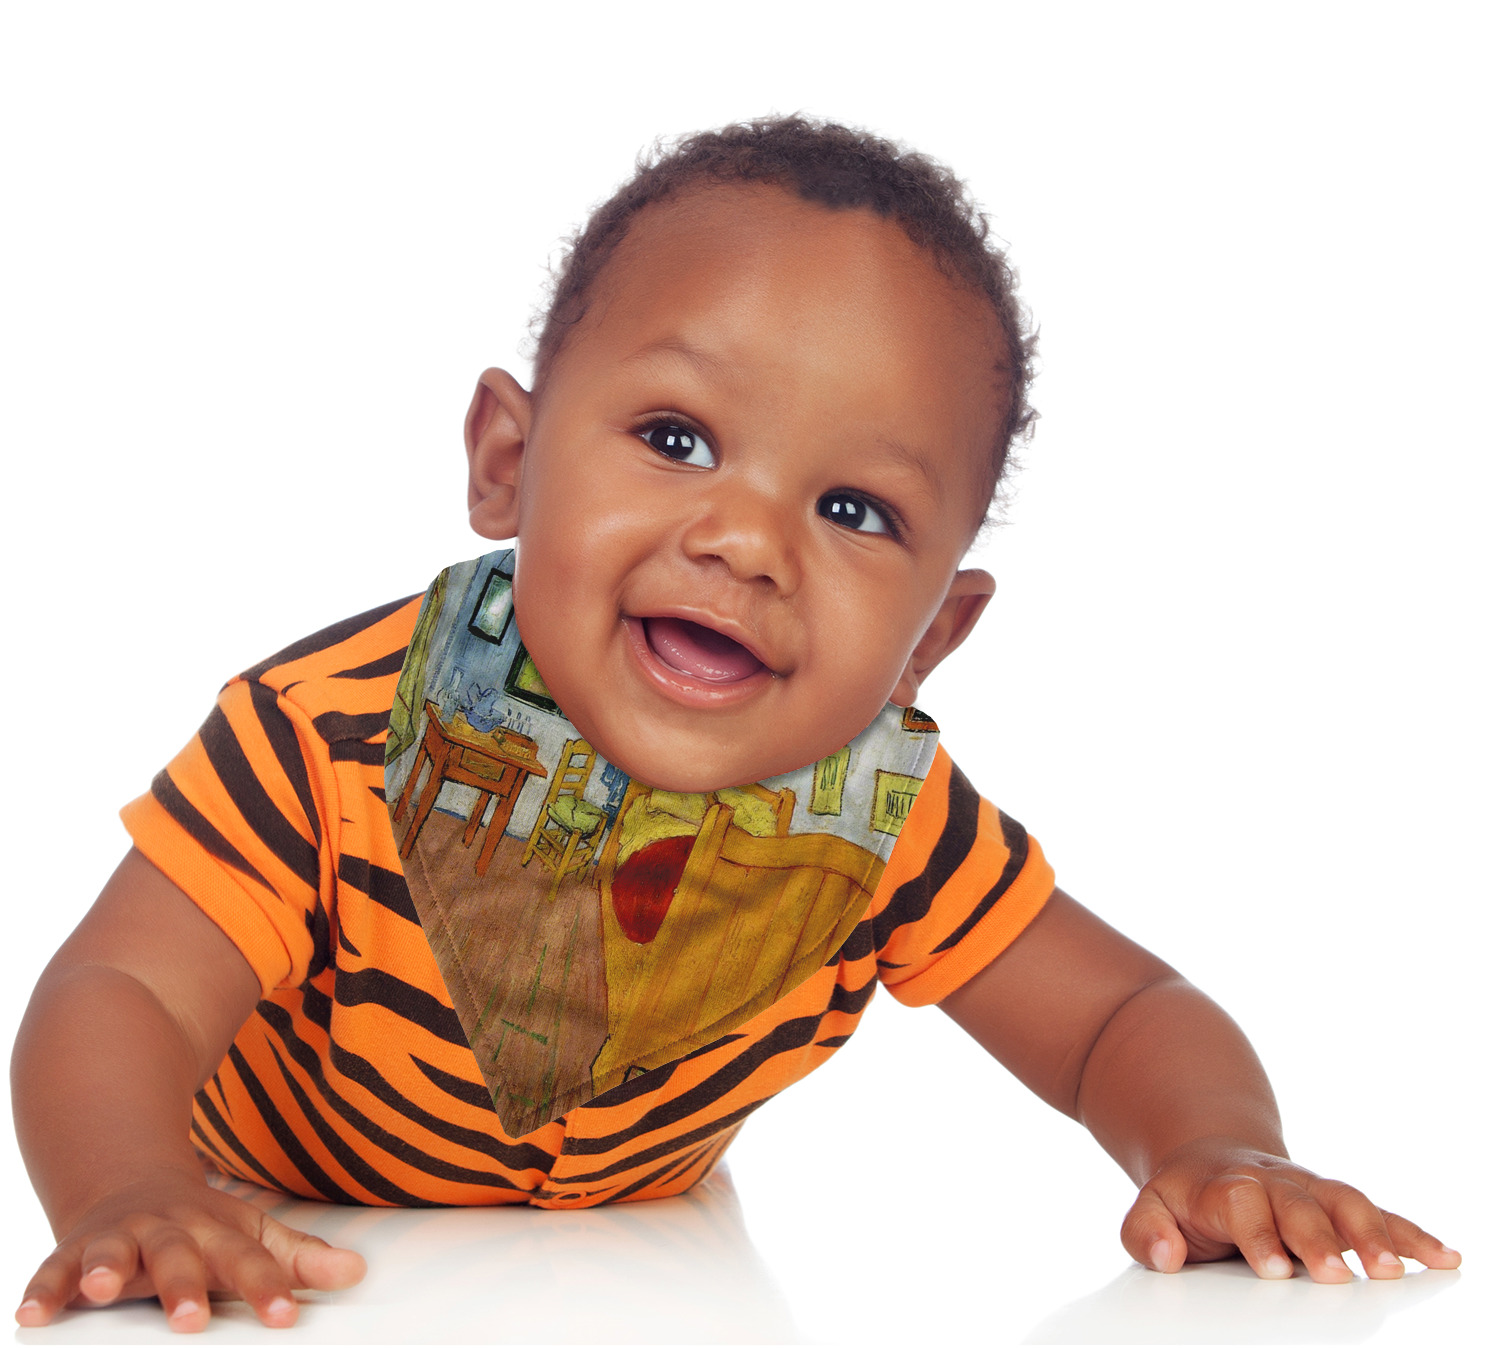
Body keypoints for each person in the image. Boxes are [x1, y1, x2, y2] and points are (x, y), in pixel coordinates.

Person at [12, 117, 1460, 1332]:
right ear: (509, 461)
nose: (748, 543)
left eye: (854, 510)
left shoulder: (878, 819)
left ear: (930, 639)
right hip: (289, 1249)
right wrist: (131, 1188)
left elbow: (1119, 1017)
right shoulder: (325, 740)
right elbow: (116, 995)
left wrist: (1215, 1145)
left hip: (662, 1292)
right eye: (676, 439)